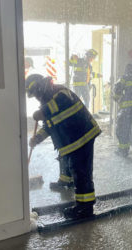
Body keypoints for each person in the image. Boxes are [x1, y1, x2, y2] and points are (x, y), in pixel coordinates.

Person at [26, 74, 101, 219]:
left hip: (83, 137)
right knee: (70, 165)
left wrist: (42, 112)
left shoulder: (61, 93)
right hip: (70, 140)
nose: (36, 97)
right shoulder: (47, 100)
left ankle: (85, 208)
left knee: (81, 173)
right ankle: (67, 184)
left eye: (36, 94)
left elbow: (57, 106)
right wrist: (37, 138)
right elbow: (49, 125)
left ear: (40, 88)